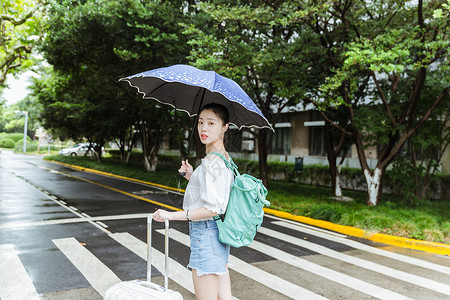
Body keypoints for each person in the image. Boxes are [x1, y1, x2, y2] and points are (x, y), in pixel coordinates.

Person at [153, 103, 234, 300]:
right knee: (223, 297)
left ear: (225, 127)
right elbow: (216, 193)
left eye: (211, 123)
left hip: (206, 234)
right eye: (200, 122)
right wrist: (191, 175)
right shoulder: (221, 158)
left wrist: (169, 215)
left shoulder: (214, 163)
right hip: (216, 235)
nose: (204, 128)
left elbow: (212, 208)